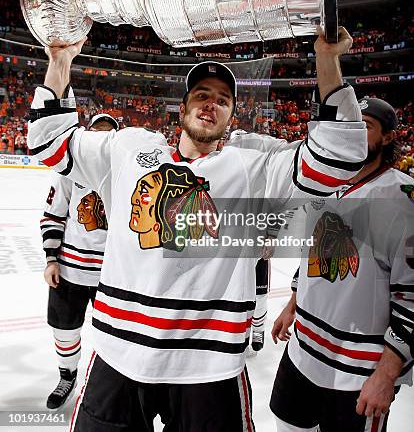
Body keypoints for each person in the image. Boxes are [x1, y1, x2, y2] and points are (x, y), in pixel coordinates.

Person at [27, 27, 367, 432]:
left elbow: (339, 156)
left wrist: (327, 63)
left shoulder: (253, 164)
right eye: (202, 95)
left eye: (223, 100)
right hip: (119, 353)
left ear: (231, 116)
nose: (211, 104)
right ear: (183, 106)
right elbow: (49, 143)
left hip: (210, 367)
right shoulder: (129, 147)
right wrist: (60, 60)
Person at [270, 98, 414, 432]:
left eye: (364, 125)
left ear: (389, 137)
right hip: (302, 349)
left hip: (360, 370)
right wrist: (293, 303)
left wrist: (386, 374)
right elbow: (315, 252)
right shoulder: (327, 182)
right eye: (349, 124)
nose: (353, 133)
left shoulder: (403, 199)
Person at [41, 114, 119, 409]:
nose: (101, 137)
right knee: (64, 328)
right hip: (70, 269)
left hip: (111, 273)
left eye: (107, 133)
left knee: (112, 336)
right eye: (96, 131)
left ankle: (103, 386)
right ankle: (67, 376)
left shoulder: (125, 173)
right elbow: (53, 215)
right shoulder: (67, 171)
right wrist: (51, 259)